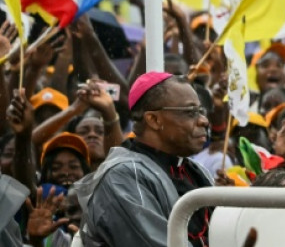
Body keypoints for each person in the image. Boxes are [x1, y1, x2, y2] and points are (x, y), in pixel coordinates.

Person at [74, 73, 214, 247]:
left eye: (201, 111)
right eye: (190, 112)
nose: (204, 121)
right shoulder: (122, 176)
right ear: (154, 119)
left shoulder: (197, 171)